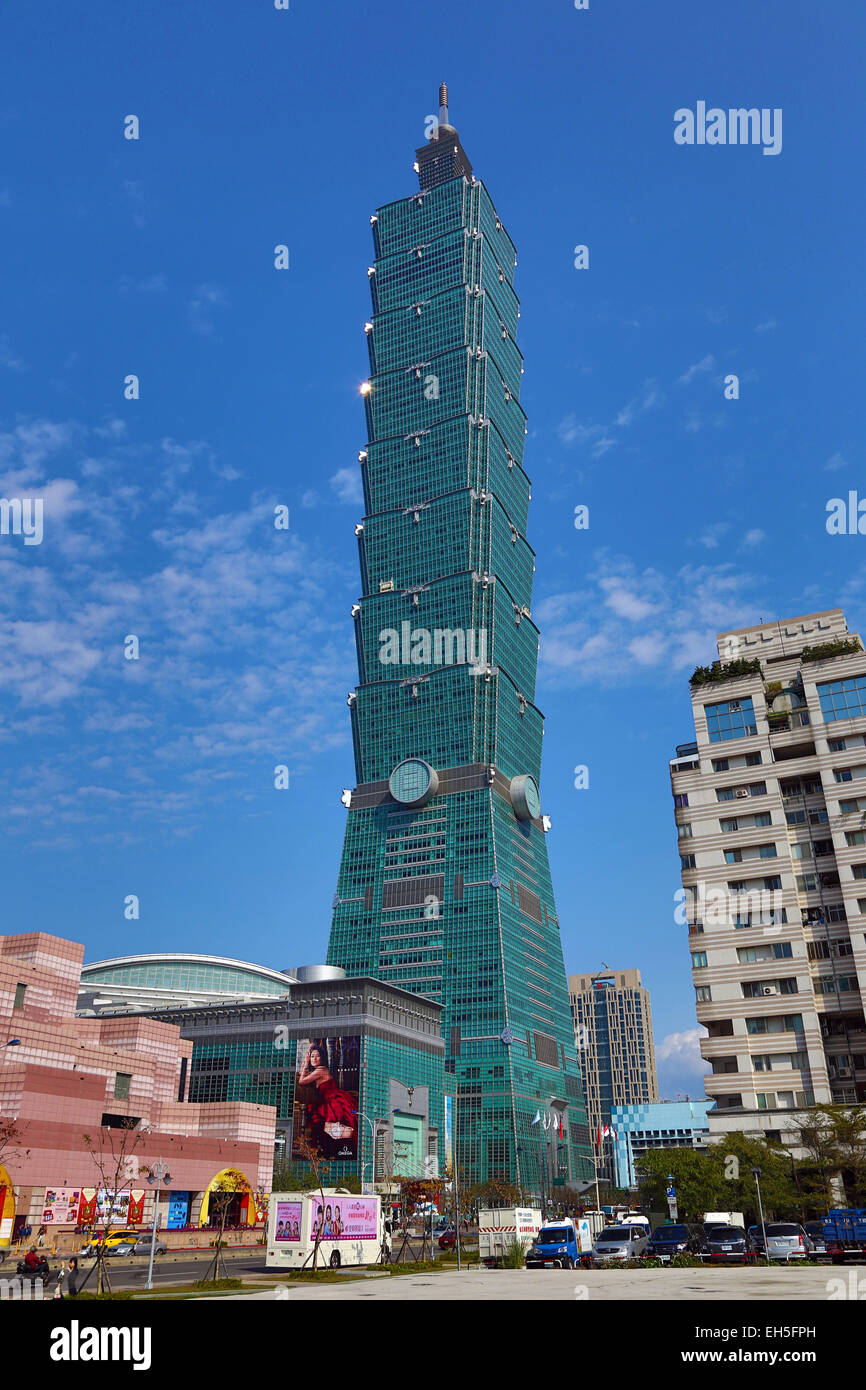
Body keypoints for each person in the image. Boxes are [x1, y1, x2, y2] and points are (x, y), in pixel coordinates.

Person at [297, 1044, 357, 1158]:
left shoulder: (321, 1069)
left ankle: (327, 1150)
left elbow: (301, 1081)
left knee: (329, 1127)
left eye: (317, 1056)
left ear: (322, 1058)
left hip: (333, 1102)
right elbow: (301, 1074)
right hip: (327, 1101)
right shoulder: (317, 1071)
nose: (314, 1058)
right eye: (313, 1056)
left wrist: (307, 1059)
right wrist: (306, 1059)